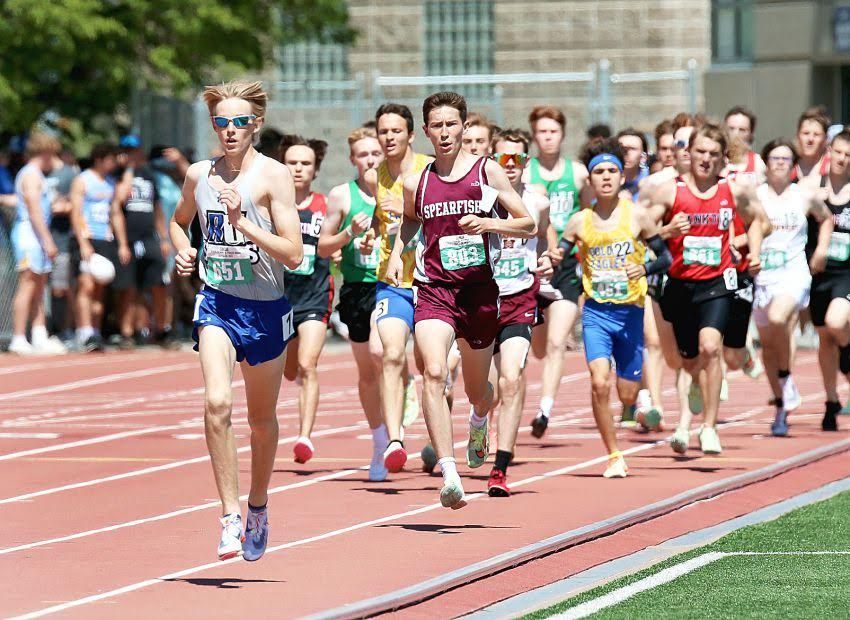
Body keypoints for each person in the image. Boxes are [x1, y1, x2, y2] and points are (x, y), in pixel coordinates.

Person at [170, 80, 302, 561]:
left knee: (261, 422)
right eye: (221, 122)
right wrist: (184, 250)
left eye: (239, 122)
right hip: (218, 303)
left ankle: (257, 506)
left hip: (265, 308)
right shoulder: (198, 174)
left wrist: (243, 222)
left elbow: (294, 253)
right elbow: (178, 221)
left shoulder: (274, 176)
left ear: (256, 125)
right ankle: (228, 515)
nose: (230, 130)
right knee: (217, 402)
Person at [387, 91, 535, 509]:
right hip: (434, 288)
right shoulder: (416, 181)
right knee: (433, 372)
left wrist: (489, 224)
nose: (445, 132)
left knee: (478, 390)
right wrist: (398, 253)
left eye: (452, 124)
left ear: (464, 127)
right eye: (437, 125)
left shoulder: (487, 172)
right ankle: (450, 474)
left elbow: (527, 223)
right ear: (426, 131)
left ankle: (479, 418)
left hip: (478, 292)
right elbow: (410, 221)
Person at [648, 124, 769, 455]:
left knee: (711, 347)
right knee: (688, 360)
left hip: (718, 281)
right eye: (700, 151)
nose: (706, 159)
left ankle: (709, 428)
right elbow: (642, 227)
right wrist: (667, 230)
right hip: (680, 284)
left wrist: (753, 251)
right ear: (688, 153)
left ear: (722, 158)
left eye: (714, 154)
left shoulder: (734, 190)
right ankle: (694, 384)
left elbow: (761, 221)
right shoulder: (669, 191)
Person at [559, 139, 672, 477]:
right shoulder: (579, 221)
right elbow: (559, 255)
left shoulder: (637, 215)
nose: (606, 177)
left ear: (622, 177)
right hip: (596, 313)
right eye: (599, 172)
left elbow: (665, 257)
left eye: (612, 171)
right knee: (598, 382)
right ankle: (614, 454)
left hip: (630, 314)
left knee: (626, 394)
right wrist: (549, 259)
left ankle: (634, 405)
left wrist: (644, 268)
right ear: (590, 180)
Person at [362, 103, 431, 473]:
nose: (389, 137)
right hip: (392, 282)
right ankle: (395, 440)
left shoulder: (429, 170)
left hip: (432, 282)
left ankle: (438, 440)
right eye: (383, 131)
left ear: (411, 134)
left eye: (396, 131)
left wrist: (408, 216)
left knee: (433, 367)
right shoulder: (375, 176)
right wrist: (371, 237)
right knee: (389, 353)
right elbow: (380, 220)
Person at [318, 126, 388, 480]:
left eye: (375, 153)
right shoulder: (342, 196)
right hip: (357, 289)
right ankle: (380, 440)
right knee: (367, 372)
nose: (370, 160)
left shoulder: (399, 191)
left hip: (391, 285)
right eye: (363, 154)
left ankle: (397, 431)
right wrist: (349, 234)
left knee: (382, 352)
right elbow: (322, 246)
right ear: (352, 160)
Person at [486, 128, 551, 496]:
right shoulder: (479, 199)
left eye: (518, 158)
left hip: (519, 300)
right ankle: (479, 420)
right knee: (483, 391)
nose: (510, 165)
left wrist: (547, 258)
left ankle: (500, 468)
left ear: (527, 162)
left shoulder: (538, 202)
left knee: (511, 379)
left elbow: (545, 238)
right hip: (482, 301)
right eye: (503, 158)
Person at [753, 138, 832, 436]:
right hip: (762, 275)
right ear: (766, 163)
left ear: (793, 165)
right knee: (767, 347)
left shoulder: (803, 195)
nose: (780, 163)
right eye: (774, 158)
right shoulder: (756, 196)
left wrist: (821, 249)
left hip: (794, 273)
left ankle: (785, 377)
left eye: (786, 159)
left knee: (778, 318)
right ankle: (781, 408)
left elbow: (826, 219)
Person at [525, 105, 589, 437]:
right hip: (532, 266)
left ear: (563, 135)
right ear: (534, 136)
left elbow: (589, 214)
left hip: (566, 265)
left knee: (556, 341)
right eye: (542, 132)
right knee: (536, 348)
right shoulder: (526, 172)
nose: (548, 137)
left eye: (553, 131)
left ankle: (544, 410)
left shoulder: (577, 174)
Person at [279, 134, 333, 464]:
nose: (298, 169)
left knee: (307, 365)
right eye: (292, 162)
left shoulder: (325, 207)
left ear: (315, 169)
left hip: (315, 295)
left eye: (305, 163)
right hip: (279, 298)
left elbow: (335, 242)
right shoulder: (271, 206)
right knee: (288, 370)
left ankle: (304, 436)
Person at [111, 135, 173, 348]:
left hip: (149, 237)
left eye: (134, 151)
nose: (131, 155)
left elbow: (157, 209)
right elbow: (120, 200)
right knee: (129, 286)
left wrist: (163, 238)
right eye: (127, 152)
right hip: (129, 238)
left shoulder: (149, 175)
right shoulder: (118, 175)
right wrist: (128, 169)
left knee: (159, 283)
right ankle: (127, 332)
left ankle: (162, 329)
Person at [9, 133, 66, 355]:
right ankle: (18, 337)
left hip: (37, 236)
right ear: (46, 153)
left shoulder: (38, 176)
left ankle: (39, 334)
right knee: (28, 284)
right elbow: (33, 211)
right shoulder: (31, 175)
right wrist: (48, 240)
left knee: (40, 286)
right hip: (29, 235)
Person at [809, 128, 850, 433]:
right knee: (824, 338)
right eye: (838, 152)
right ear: (829, 153)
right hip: (818, 274)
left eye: (848, 155)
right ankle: (831, 400)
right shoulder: (814, 188)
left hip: (847, 274)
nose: (842, 159)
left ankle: (847, 357)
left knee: (836, 323)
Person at [70, 143, 119, 351]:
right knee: (86, 285)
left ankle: (96, 332)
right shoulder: (82, 180)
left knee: (101, 285)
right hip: (86, 238)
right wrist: (83, 242)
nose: (114, 163)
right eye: (111, 159)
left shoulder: (111, 182)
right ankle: (84, 331)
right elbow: (76, 212)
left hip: (104, 240)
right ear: (99, 159)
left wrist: (118, 240)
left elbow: (114, 212)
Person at [723, 106, 766, 184]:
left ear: (751, 134)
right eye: (731, 129)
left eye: (742, 130)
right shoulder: (715, 160)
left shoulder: (759, 163)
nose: (736, 134)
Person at [617, 128, 649, 200]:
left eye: (632, 149)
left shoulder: (651, 181)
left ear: (643, 156)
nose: (626, 153)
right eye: (622, 148)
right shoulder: (607, 178)